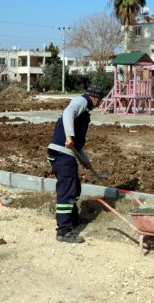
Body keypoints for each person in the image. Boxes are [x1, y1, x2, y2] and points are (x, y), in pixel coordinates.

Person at [47, 85, 106, 243]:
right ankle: (63, 231)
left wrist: (85, 161)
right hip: (62, 153)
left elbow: (77, 146)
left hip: (64, 153)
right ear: (95, 97)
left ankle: (73, 219)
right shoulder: (82, 101)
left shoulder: (84, 111)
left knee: (75, 189)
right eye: (100, 100)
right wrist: (70, 136)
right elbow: (67, 113)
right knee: (67, 192)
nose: (101, 103)